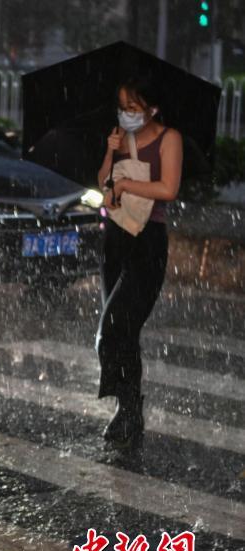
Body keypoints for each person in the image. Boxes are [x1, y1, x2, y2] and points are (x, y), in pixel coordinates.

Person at [95, 76, 182, 450]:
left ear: (152, 109)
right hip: (115, 238)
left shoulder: (169, 139)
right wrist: (110, 152)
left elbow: (168, 189)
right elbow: (104, 185)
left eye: (132, 107)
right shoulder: (120, 138)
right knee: (121, 333)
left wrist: (127, 186)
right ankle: (128, 409)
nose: (125, 114)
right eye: (122, 107)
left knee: (115, 325)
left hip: (148, 241)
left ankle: (130, 408)